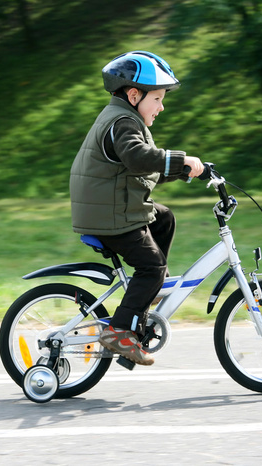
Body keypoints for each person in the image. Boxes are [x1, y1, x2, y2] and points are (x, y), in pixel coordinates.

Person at [69, 51, 203, 366]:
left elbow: (142, 169)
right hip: (110, 214)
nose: (161, 106)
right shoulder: (123, 122)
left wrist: (185, 170)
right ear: (134, 94)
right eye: (157, 98)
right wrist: (181, 159)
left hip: (111, 206)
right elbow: (139, 157)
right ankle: (119, 331)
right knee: (151, 267)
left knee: (164, 218)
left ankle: (150, 291)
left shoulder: (121, 117)